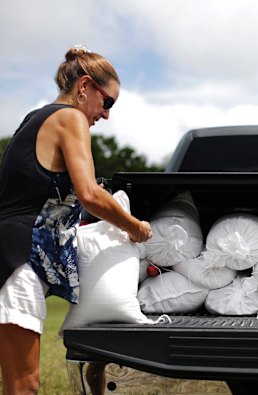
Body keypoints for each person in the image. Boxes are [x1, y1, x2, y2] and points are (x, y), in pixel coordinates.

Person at [0, 45, 153, 394]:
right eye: (108, 102)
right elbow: (89, 194)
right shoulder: (70, 118)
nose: (107, 114)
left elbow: (48, 192)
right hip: (16, 258)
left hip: (14, 251)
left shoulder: (37, 117)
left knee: (16, 383)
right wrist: (135, 226)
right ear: (85, 86)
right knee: (24, 385)